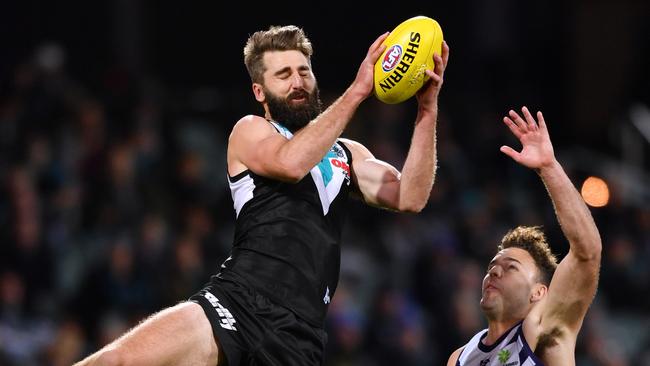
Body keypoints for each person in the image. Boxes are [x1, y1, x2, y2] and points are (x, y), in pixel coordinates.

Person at [74, 25, 449, 366]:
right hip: (239, 300)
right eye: (283, 75)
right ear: (260, 91)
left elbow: (410, 196)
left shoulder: (346, 153)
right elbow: (291, 163)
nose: (298, 82)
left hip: (300, 335)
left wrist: (426, 109)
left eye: (304, 71)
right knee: (116, 362)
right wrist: (357, 92)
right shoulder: (251, 130)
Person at [447, 107, 602, 365]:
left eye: (511, 268)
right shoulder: (460, 357)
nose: (494, 273)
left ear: (539, 293)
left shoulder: (544, 331)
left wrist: (549, 168)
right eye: (492, 266)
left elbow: (587, 252)